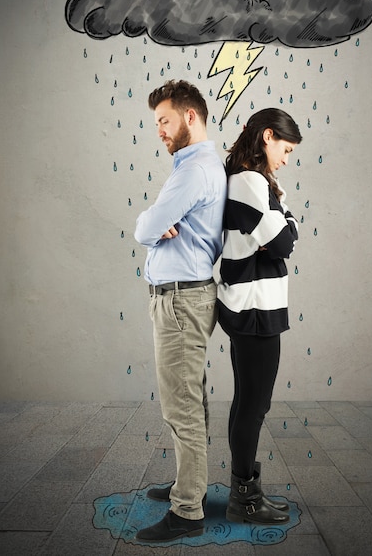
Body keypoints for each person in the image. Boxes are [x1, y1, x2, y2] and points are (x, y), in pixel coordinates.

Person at [134, 80, 227, 542]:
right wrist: (154, 225)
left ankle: (187, 511)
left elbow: (147, 226)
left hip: (179, 301)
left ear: (190, 117)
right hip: (185, 297)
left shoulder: (194, 171)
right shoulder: (195, 165)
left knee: (181, 406)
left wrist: (148, 225)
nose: (160, 131)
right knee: (192, 399)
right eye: (156, 124)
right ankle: (189, 486)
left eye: (165, 121)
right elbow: (156, 225)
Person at [217, 108, 302, 525]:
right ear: (267, 137)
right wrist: (284, 225)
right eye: (285, 149)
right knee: (254, 404)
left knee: (248, 401)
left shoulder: (253, 181)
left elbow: (289, 230)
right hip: (254, 308)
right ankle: (244, 498)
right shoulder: (250, 182)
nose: (286, 158)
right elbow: (285, 242)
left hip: (251, 304)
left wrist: (284, 223)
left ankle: (245, 490)